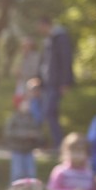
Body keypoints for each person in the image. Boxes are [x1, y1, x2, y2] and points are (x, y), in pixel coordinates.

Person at [36, 16, 75, 148]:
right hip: (47, 83)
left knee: (49, 112)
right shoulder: (48, 40)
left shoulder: (60, 38)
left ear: (45, 24)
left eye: (40, 26)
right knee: (49, 113)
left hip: (56, 83)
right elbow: (45, 62)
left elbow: (65, 59)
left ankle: (58, 143)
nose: (39, 30)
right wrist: (40, 80)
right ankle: (55, 142)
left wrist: (65, 82)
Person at [4, 77, 45, 183]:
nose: (27, 106)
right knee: (17, 175)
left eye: (28, 103)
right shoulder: (13, 118)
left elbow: (38, 132)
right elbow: (9, 133)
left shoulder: (32, 118)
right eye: (24, 103)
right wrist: (24, 134)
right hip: (17, 150)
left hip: (29, 150)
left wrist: (35, 137)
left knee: (31, 175)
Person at [13, 36, 42, 106]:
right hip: (22, 83)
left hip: (31, 83)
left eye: (26, 46)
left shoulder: (36, 56)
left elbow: (35, 72)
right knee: (18, 103)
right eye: (23, 46)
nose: (24, 48)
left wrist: (21, 72)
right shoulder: (22, 56)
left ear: (31, 46)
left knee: (29, 104)